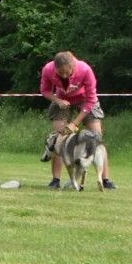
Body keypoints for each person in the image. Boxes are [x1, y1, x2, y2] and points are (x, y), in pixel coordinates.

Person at [40, 51, 115, 190]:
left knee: (97, 137)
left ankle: (106, 180)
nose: (63, 76)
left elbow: (91, 99)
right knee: (58, 137)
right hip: (62, 99)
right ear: (54, 68)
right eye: (60, 73)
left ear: (72, 65)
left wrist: (75, 123)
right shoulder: (48, 69)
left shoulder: (85, 69)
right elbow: (44, 90)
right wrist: (57, 100)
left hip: (85, 100)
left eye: (66, 73)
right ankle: (55, 180)